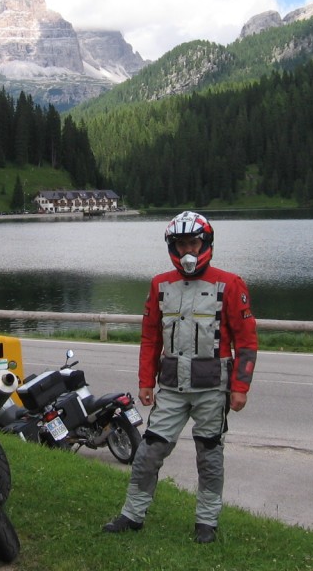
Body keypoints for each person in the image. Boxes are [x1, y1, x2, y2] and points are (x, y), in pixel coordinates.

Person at [103, 211, 258, 544]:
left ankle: (206, 522)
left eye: (193, 242)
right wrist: (146, 381)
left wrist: (240, 387)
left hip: (212, 387)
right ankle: (132, 514)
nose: (187, 249)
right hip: (171, 386)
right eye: (181, 244)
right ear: (172, 246)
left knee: (210, 455)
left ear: (205, 243)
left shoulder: (230, 284)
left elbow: (246, 342)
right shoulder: (160, 284)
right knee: (148, 452)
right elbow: (150, 337)